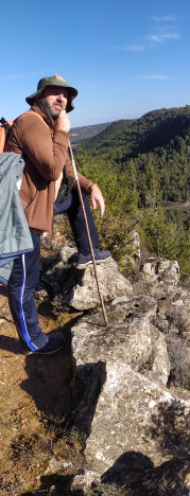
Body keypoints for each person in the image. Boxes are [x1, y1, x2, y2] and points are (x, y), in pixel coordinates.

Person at [3, 74, 110, 355]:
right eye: (54, 93)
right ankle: (33, 341)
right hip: (22, 217)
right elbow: (52, 169)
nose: (62, 99)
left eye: (66, 96)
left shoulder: (47, 126)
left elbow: (65, 170)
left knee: (74, 196)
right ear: (39, 97)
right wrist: (63, 130)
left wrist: (90, 186)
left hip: (41, 204)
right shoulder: (30, 123)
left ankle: (87, 251)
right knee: (25, 281)